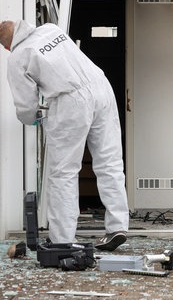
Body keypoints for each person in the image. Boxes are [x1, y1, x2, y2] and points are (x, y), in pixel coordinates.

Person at [0, 20, 129, 251]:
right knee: (110, 162)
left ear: (6, 43)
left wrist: (34, 119)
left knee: (64, 172)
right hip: (101, 86)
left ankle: (62, 239)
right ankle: (117, 227)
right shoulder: (50, 29)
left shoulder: (18, 56)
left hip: (70, 99)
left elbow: (26, 107)